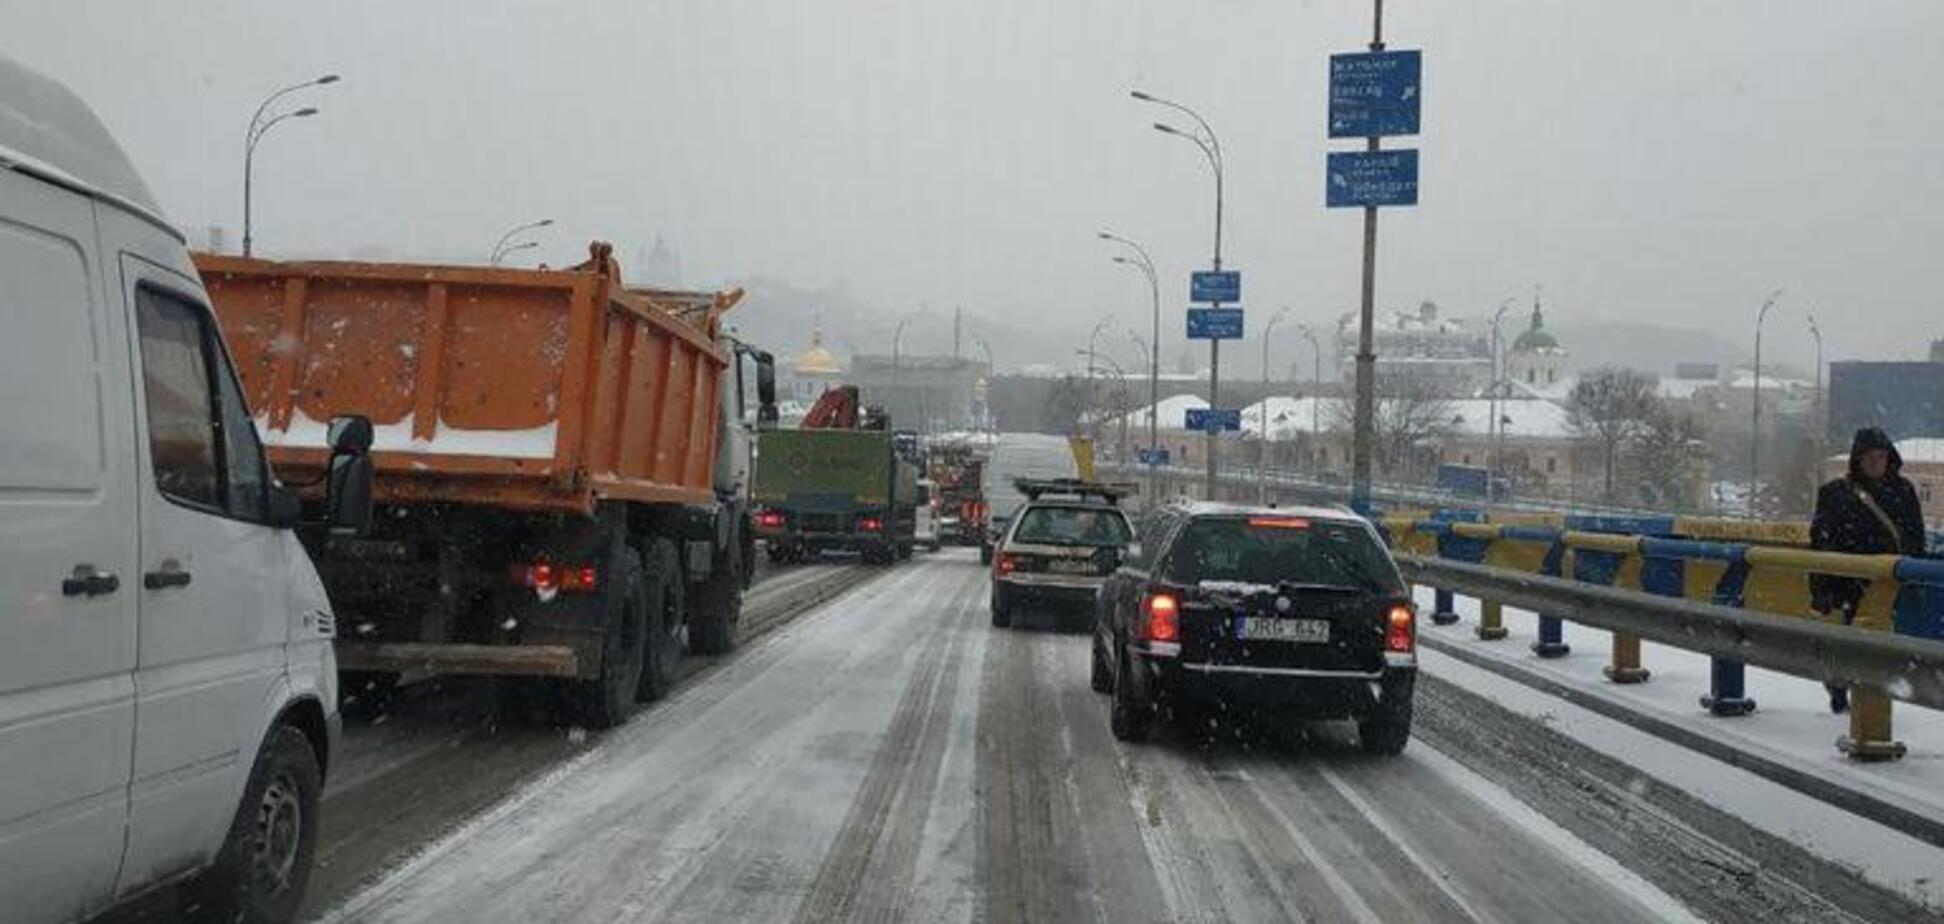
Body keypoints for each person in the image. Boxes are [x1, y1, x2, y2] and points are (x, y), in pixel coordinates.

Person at [1810, 427, 1926, 713]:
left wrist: (1915, 573)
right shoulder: (1836, 493)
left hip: (1890, 579)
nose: (1876, 462)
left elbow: (1915, 537)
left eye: (1881, 456)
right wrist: (1821, 587)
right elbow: (1821, 542)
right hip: (1850, 581)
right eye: (1869, 457)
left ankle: (1865, 696)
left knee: (1881, 643)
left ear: (1889, 458)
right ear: (1857, 459)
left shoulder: (1903, 491)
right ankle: (1845, 692)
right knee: (1853, 639)